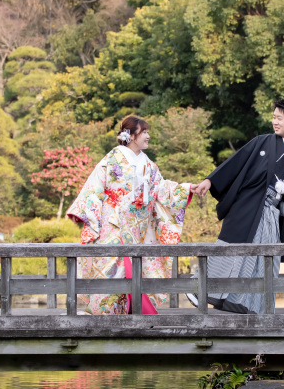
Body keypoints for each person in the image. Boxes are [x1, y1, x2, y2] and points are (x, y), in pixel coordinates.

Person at [188, 98, 284, 314]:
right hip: (248, 209)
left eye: (279, 118)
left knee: (263, 258)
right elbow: (235, 163)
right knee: (231, 251)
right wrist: (209, 181)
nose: (274, 121)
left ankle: (248, 304)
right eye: (274, 117)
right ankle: (197, 289)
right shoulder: (261, 142)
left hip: (273, 216)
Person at [67, 115, 192, 315]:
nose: (148, 136)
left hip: (138, 226)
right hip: (113, 223)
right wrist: (84, 211)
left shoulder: (148, 164)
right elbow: (94, 186)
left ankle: (129, 312)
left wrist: (187, 189)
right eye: (144, 132)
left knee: (135, 268)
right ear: (132, 135)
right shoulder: (114, 158)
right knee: (111, 267)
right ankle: (104, 314)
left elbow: (161, 188)